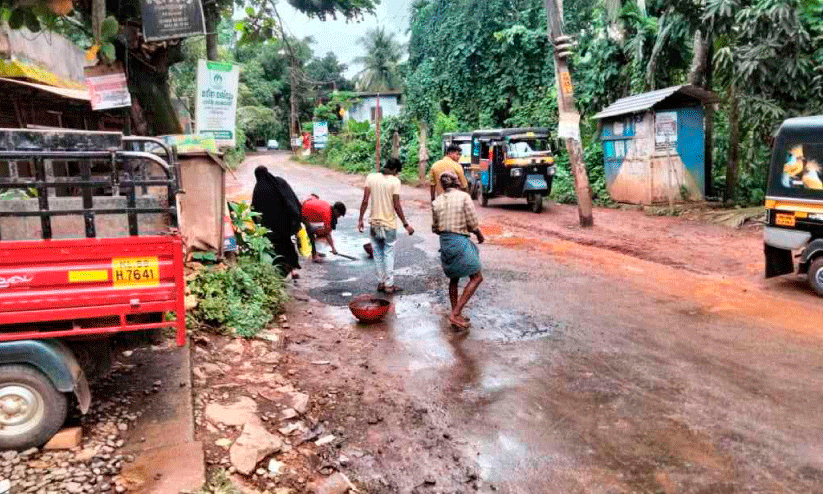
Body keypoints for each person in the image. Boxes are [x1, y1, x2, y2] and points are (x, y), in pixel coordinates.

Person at [432, 171, 484, 329]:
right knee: (476, 277)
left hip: (445, 241)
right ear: (457, 182)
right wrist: (479, 235)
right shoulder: (464, 197)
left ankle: (456, 312)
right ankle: (455, 314)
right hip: (459, 240)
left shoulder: (437, 201)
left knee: (454, 278)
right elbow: (472, 222)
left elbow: (435, 228)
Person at [358, 158, 415, 294]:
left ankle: (381, 283)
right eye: (397, 172)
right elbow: (396, 205)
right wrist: (406, 224)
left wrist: (360, 219)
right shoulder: (395, 181)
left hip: (374, 224)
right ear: (395, 170)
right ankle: (389, 285)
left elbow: (365, 200)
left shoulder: (371, 177)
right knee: (389, 254)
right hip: (389, 225)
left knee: (377, 253)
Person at [251, 166, 303, 279]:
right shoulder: (280, 181)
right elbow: (292, 198)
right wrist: (296, 217)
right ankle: (293, 270)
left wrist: (256, 224)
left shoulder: (259, 187)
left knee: (276, 248)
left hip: (271, 227)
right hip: (286, 223)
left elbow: (254, 208)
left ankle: (280, 272)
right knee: (288, 244)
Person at [301, 194, 347, 262]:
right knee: (310, 231)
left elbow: (327, 232)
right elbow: (327, 233)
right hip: (301, 212)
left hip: (304, 205)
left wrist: (333, 248)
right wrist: (333, 249)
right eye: (339, 215)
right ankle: (314, 256)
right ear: (336, 211)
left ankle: (312, 250)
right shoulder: (327, 214)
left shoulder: (329, 207)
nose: (338, 217)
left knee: (319, 230)